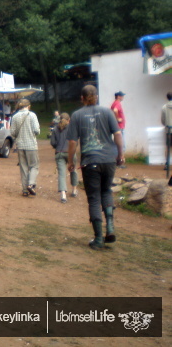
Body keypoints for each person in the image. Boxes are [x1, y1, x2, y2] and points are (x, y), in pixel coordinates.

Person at [67, 85, 124, 251]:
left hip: (90, 161)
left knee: (93, 198)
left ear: (82, 98)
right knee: (106, 191)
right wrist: (120, 155)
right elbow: (118, 134)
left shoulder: (77, 115)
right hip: (108, 159)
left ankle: (99, 238)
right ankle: (111, 228)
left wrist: (71, 161)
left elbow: (72, 142)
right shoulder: (107, 112)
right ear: (96, 97)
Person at [10, 98, 40, 197]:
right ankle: (31, 184)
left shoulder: (14, 117)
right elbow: (37, 130)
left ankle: (24, 190)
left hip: (20, 145)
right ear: (28, 106)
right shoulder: (32, 115)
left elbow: (13, 132)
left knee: (23, 167)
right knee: (34, 166)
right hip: (31, 144)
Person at [50, 112, 78, 203]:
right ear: (69, 120)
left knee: (62, 174)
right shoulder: (72, 128)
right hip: (70, 152)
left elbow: (53, 143)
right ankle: (74, 190)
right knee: (73, 170)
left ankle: (63, 195)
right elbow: (75, 140)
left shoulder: (55, 129)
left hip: (59, 153)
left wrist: (57, 146)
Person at [111, 91, 126, 167]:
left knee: (117, 144)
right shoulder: (117, 103)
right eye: (122, 96)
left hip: (118, 127)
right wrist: (118, 119)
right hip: (119, 127)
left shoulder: (115, 103)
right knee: (120, 144)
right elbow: (115, 110)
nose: (123, 97)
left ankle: (117, 161)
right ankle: (119, 162)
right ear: (118, 96)